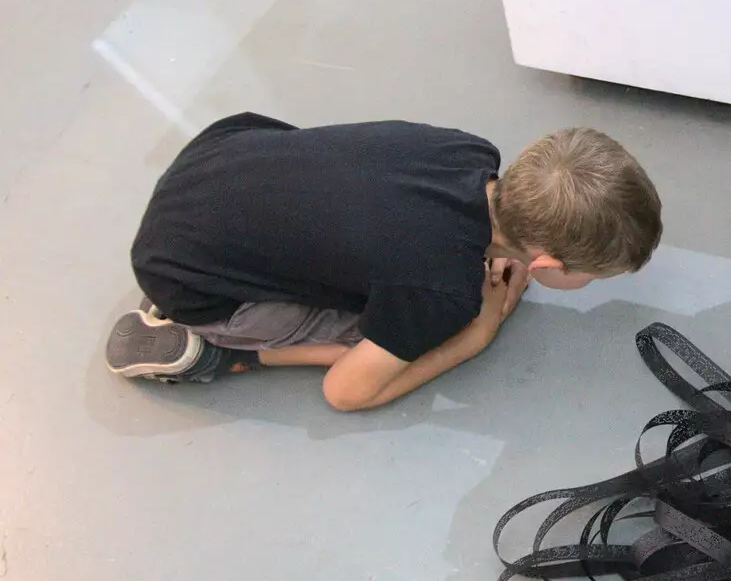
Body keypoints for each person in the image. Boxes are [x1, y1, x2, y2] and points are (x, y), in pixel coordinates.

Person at [105, 113, 661, 411]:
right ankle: (216, 353)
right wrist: (478, 331)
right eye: (592, 275)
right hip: (189, 283)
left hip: (214, 157)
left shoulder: (467, 151)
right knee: (377, 335)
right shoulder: (446, 294)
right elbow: (345, 393)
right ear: (544, 264)